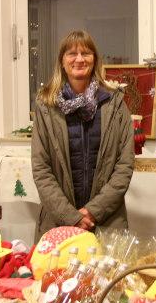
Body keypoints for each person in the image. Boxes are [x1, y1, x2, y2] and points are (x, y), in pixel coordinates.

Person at [31, 30, 134, 241]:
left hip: (106, 223)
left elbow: (124, 167)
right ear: (62, 61)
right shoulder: (46, 107)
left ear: (94, 60)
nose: (79, 59)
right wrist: (71, 216)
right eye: (71, 53)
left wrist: (92, 211)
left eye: (86, 53)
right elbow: (41, 169)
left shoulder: (115, 105)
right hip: (57, 223)